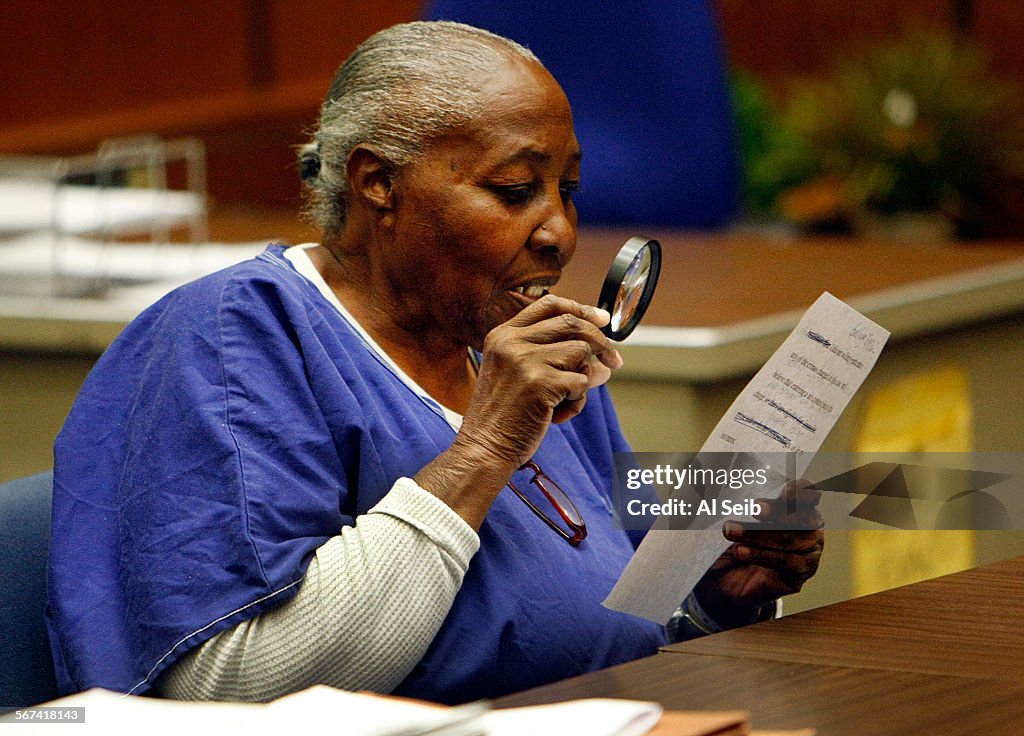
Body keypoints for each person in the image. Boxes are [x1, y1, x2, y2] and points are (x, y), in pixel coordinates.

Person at [47, 21, 823, 705]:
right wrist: (484, 451)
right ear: (377, 183)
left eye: (569, 189)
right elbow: (234, 690)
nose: (559, 230)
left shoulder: (513, 344)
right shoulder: (238, 336)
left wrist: (718, 601)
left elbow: (610, 637)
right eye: (516, 189)